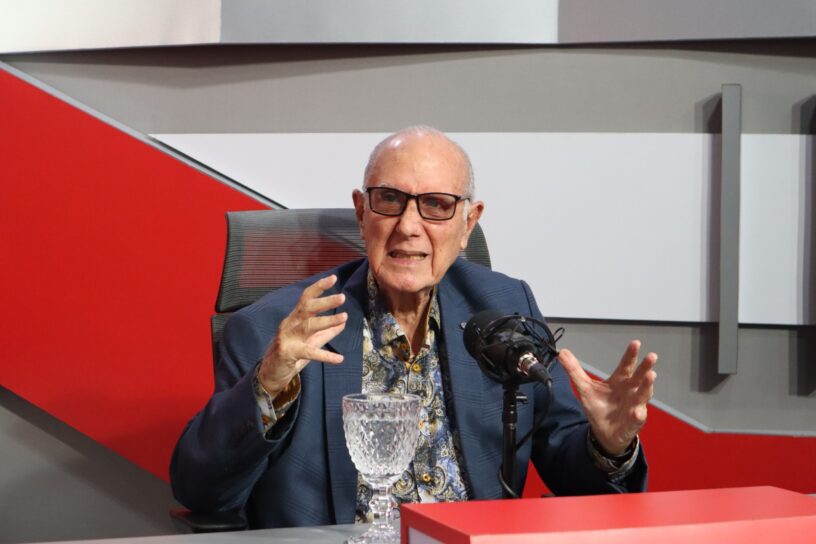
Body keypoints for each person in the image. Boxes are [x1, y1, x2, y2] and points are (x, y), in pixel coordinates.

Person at [170, 126, 657, 529]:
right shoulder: (276, 330)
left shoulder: (505, 307)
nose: (408, 225)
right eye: (390, 199)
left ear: (468, 223)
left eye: (437, 205)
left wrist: (609, 446)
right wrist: (268, 385)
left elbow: (572, 471)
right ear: (362, 212)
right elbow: (200, 491)